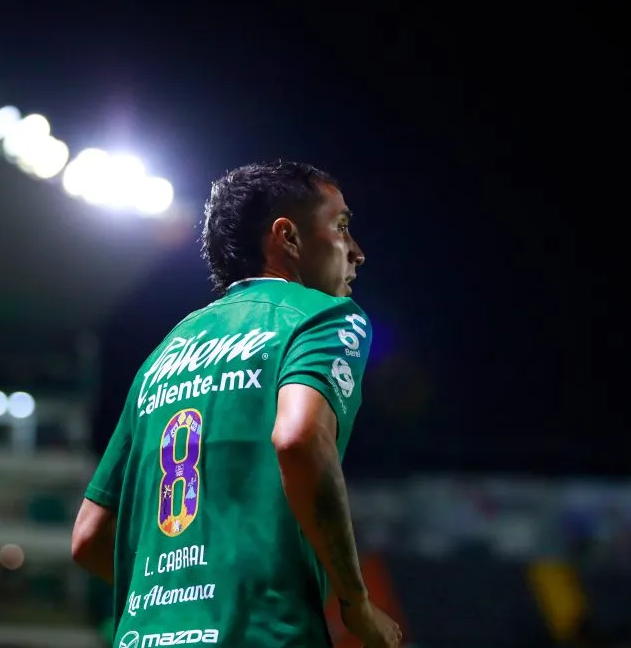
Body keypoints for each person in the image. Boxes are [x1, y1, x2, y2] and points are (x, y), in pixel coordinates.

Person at [72, 161, 402, 648]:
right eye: (341, 226)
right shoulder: (323, 317)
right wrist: (355, 602)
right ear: (287, 236)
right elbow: (298, 437)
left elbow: (89, 536)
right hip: (262, 633)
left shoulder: (166, 353)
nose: (357, 251)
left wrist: (178, 606)